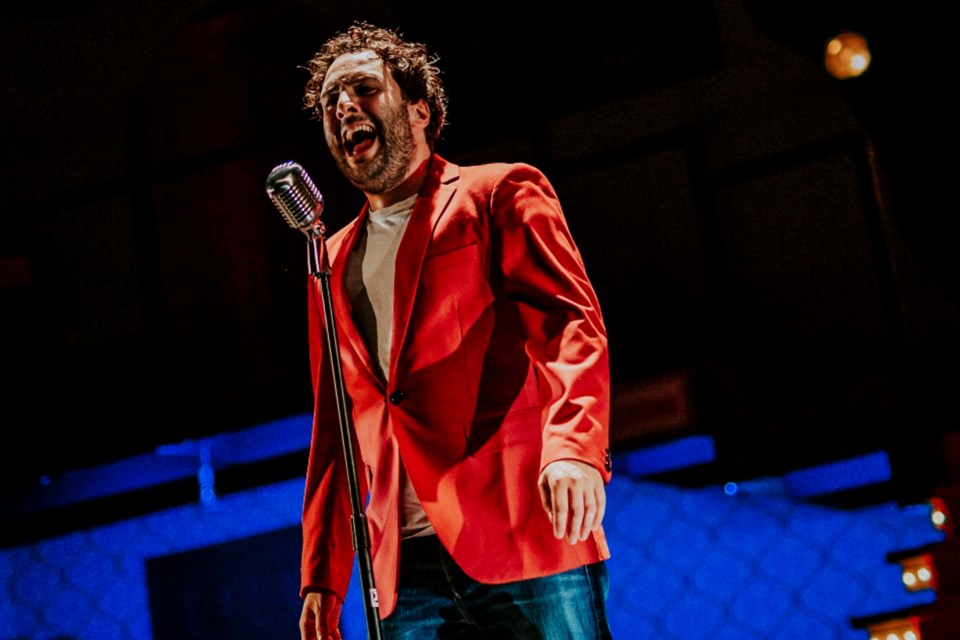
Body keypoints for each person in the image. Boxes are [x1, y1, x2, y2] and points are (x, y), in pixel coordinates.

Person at [296, 20, 614, 640]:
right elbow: (336, 428)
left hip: (521, 528)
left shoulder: (496, 193)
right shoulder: (327, 259)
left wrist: (573, 449)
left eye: (362, 89)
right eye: (332, 102)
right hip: (402, 568)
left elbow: (569, 326)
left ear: (419, 111)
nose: (343, 108)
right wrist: (322, 576)